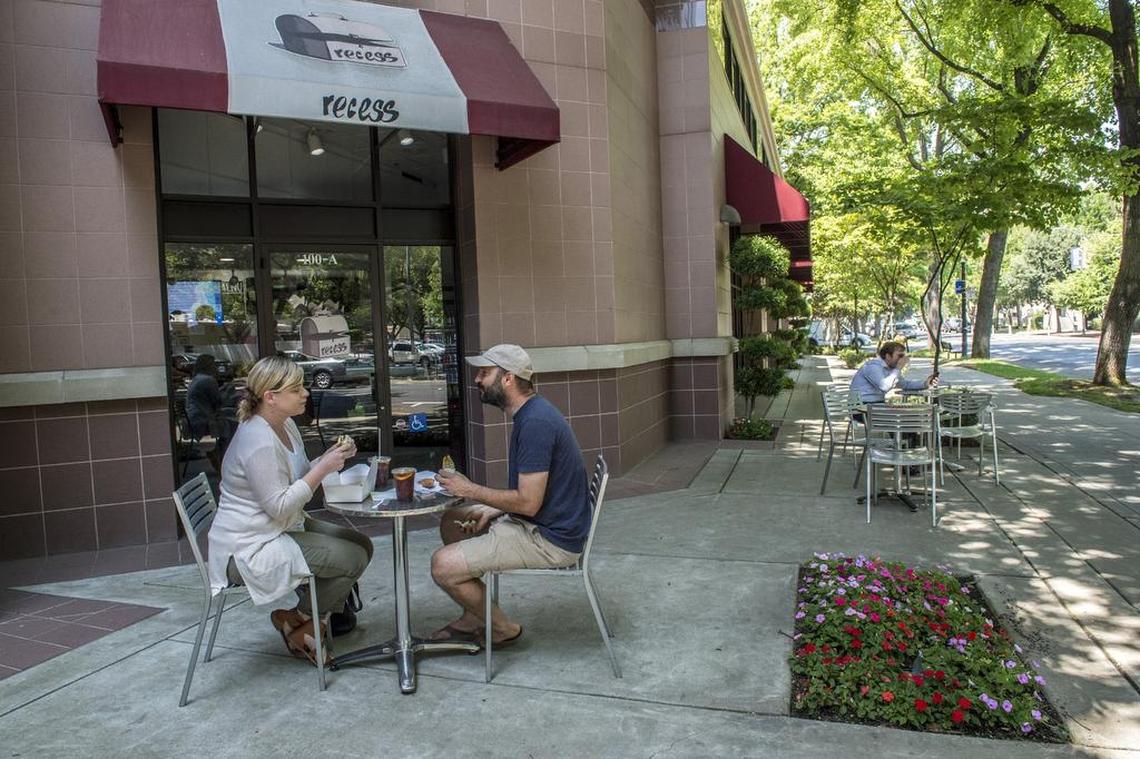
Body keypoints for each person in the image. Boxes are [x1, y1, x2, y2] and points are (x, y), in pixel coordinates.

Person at [206, 356, 371, 665]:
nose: (305, 393)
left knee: (362, 543)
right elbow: (279, 506)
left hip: (277, 527)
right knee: (352, 558)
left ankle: (298, 619)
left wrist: (328, 458)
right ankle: (307, 624)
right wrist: (321, 470)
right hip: (249, 547)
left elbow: (292, 479)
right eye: (296, 389)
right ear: (271, 397)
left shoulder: (285, 424)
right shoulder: (258, 441)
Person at [432, 344, 590, 648]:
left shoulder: (535, 423)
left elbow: (529, 502)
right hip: (542, 521)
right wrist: (494, 510)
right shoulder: (530, 414)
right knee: (453, 521)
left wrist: (469, 490)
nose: (477, 379)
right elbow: (534, 499)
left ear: (508, 379)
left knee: (442, 565)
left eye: (485, 372)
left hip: (550, 539)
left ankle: (504, 628)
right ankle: (474, 614)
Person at [185, 354, 235, 470]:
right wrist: (228, 390)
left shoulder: (197, 378)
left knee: (228, 419)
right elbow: (218, 403)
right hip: (202, 421)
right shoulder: (208, 380)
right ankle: (220, 453)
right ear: (209, 366)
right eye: (214, 365)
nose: (216, 368)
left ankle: (217, 451)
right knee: (233, 424)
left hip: (194, 418)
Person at [850, 341, 938, 404]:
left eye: (903, 356)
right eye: (900, 356)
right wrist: (899, 368)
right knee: (902, 420)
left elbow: (904, 385)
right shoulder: (873, 367)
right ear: (888, 356)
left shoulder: (891, 369)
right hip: (861, 406)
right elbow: (884, 387)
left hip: (877, 405)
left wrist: (925, 384)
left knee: (912, 418)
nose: (902, 359)